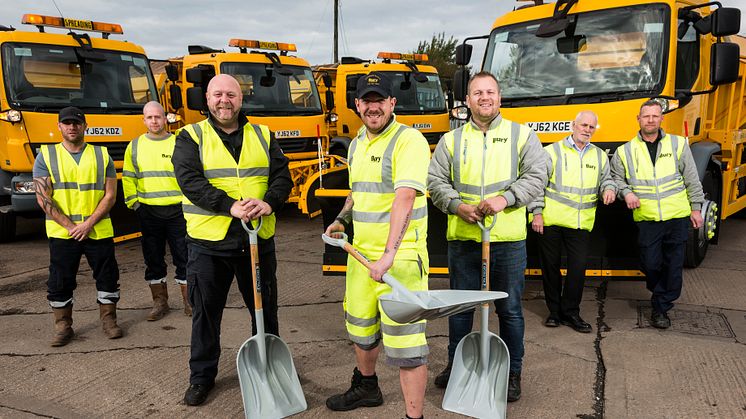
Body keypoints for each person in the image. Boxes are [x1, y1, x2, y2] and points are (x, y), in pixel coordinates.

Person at [171, 74, 292, 406]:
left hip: (257, 241)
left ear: (241, 99)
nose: (225, 100)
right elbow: (189, 180)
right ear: (207, 99)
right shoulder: (190, 136)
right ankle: (201, 377)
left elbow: (282, 176)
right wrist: (229, 206)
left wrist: (270, 202)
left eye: (231, 95)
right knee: (206, 315)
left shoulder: (262, 134)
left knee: (265, 311)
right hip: (209, 245)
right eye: (218, 95)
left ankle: (270, 371)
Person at [428, 71, 547, 402]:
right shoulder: (451, 141)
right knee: (461, 309)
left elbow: (538, 175)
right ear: (467, 100)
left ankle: (512, 371)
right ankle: (457, 365)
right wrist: (455, 205)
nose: (484, 97)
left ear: (499, 97)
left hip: (507, 241)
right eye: (477, 92)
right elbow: (435, 181)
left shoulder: (521, 136)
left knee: (509, 310)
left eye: (490, 92)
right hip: (464, 240)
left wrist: (504, 199)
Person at [324, 72, 431, 419]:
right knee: (361, 330)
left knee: (407, 346)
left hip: (399, 261)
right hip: (361, 258)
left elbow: (405, 196)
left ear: (392, 104)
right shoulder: (356, 144)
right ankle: (367, 387)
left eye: (379, 100)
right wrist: (342, 220)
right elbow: (358, 192)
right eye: (366, 100)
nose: (373, 107)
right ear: (357, 105)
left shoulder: (408, 141)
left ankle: (414, 416)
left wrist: (389, 256)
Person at [32, 107, 122, 347]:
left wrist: (88, 224)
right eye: (67, 123)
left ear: (85, 126)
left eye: (76, 123)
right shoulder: (46, 156)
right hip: (63, 233)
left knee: (107, 276)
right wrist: (73, 227)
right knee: (60, 280)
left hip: (98, 229)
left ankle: (109, 320)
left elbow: (110, 195)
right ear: (59, 126)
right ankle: (63, 326)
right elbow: (43, 198)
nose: (72, 127)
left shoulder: (102, 155)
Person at [610, 100, 704, 329]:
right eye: (646, 116)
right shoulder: (625, 151)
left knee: (673, 265)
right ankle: (661, 292)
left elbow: (692, 178)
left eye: (655, 116)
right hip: (647, 218)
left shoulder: (678, 144)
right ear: (638, 119)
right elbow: (615, 179)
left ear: (662, 118)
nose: (650, 120)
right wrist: (626, 193)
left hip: (677, 217)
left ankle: (661, 307)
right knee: (650, 264)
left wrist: (696, 208)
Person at [528, 111, 616, 333]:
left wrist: (609, 189)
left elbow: (607, 179)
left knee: (577, 269)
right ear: (573, 125)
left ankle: (571, 313)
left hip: (580, 223)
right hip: (550, 220)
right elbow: (538, 185)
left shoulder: (599, 156)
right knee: (551, 268)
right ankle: (554, 313)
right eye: (583, 125)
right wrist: (536, 213)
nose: (587, 130)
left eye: (591, 127)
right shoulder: (551, 152)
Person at [123, 101, 190, 321]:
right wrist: (134, 203)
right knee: (153, 259)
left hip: (178, 211)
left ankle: (190, 302)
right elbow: (129, 177)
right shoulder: (134, 146)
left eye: (158, 117)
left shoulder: (178, 143)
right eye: (149, 117)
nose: (154, 121)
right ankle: (160, 303)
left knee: (185, 256)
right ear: (144, 120)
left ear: (166, 118)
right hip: (149, 213)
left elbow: (188, 174)